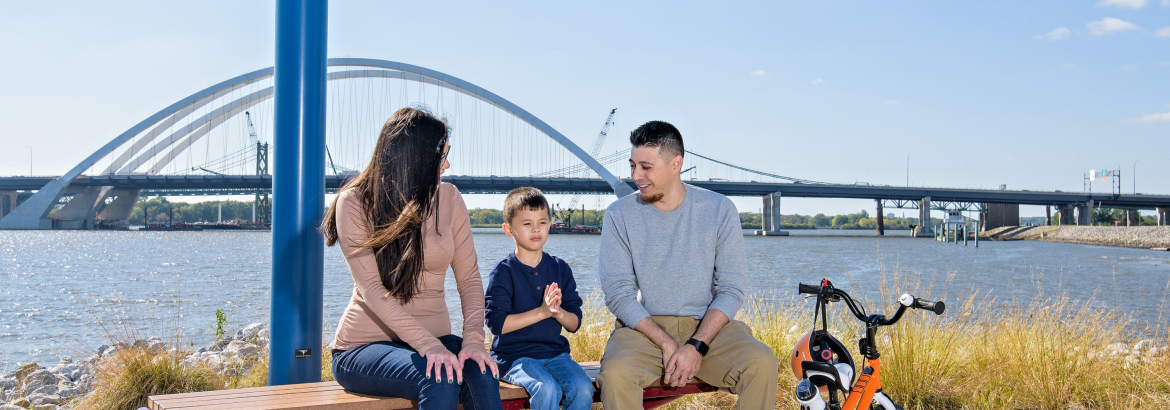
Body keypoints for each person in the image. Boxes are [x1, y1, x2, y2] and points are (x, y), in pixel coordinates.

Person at [321, 107, 502, 410]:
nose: (447, 163)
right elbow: (374, 292)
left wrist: (472, 340)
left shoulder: (451, 199)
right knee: (440, 376)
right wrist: (430, 346)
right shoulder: (353, 204)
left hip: (436, 341)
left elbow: (470, 281)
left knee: (483, 372)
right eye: (440, 156)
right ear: (414, 159)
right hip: (363, 347)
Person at [595, 121, 779, 409]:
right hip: (646, 331)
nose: (635, 176)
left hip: (709, 330)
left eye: (646, 167)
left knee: (762, 363)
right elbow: (619, 294)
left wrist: (696, 345)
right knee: (617, 375)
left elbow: (731, 289)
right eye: (632, 165)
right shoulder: (619, 215)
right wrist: (668, 344)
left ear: (675, 164)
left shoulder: (720, 210)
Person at [484, 187, 593, 410]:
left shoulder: (560, 268)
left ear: (550, 225)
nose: (536, 229)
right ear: (508, 229)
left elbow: (574, 324)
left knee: (583, 388)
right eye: (527, 223)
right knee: (547, 388)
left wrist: (558, 312)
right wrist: (541, 313)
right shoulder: (503, 272)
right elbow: (497, 324)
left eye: (542, 222)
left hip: (556, 355)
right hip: (515, 358)